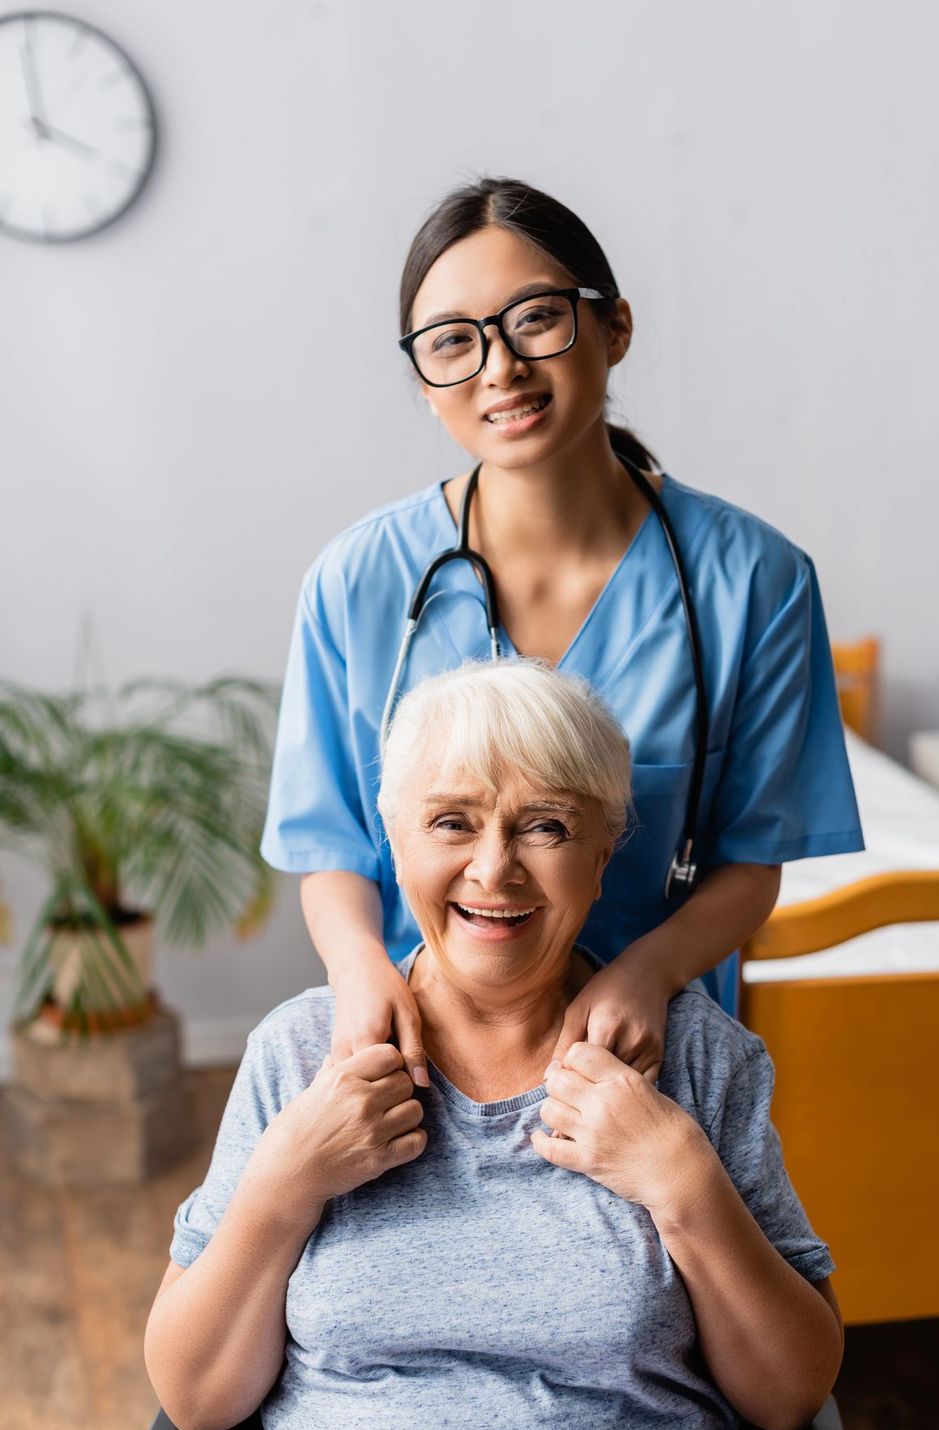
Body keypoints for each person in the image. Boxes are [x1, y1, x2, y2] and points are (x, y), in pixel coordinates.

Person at [145, 660, 844, 1430]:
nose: (495, 868)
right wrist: (285, 1186)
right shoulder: (300, 1054)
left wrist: (684, 1185)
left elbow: (790, 1395)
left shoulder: (699, 1062)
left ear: (605, 856)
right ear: (394, 843)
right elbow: (192, 1396)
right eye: (452, 821)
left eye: (547, 826)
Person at [259, 173, 863, 1087]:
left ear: (614, 327)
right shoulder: (358, 582)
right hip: (424, 1054)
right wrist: (358, 974)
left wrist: (648, 975)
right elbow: (331, 847)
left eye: (535, 318)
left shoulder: (755, 583)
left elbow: (749, 859)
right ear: (425, 381)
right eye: (453, 342)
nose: (499, 368)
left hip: (638, 1050)